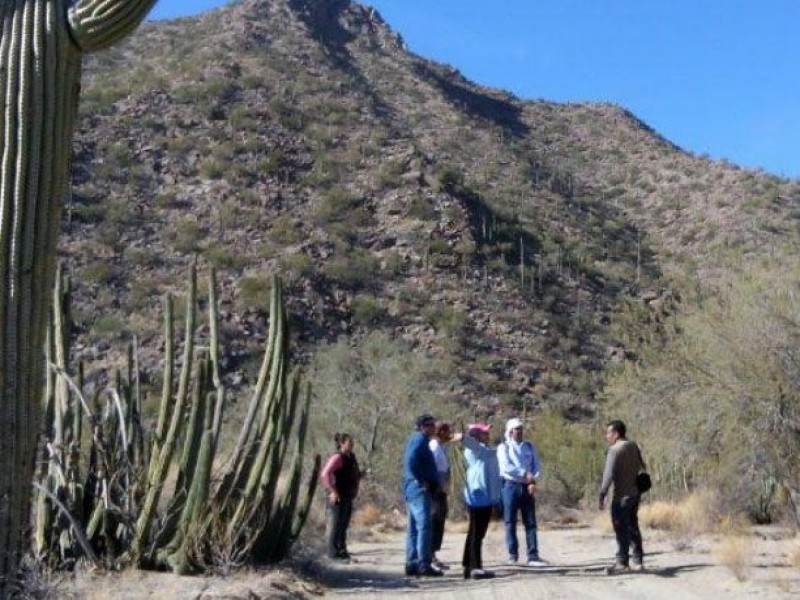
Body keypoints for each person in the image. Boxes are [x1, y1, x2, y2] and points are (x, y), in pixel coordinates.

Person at [497, 417, 547, 567]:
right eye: (516, 429)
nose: (519, 431)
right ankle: (512, 554)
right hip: (510, 486)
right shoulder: (504, 447)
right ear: (510, 431)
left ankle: (533, 555)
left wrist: (532, 480)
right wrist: (524, 473)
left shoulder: (530, 447)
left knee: (530, 521)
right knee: (510, 521)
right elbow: (506, 467)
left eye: (521, 429)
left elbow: (536, 466)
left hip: (527, 487)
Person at [599, 419, 646, 573]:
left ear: (616, 433)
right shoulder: (633, 446)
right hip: (635, 495)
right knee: (633, 526)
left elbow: (608, 475)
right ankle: (638, 560)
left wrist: (602, 493)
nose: (607, 436)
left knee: (621, 529)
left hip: (621, 497)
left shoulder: (614, 450)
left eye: (609, 433)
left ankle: (622, 562)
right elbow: (642, 468)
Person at [402, 414, 443, 577]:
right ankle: (424, 564)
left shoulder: (419, 440)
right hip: (419, 490)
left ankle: (411, 563)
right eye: (431, 425)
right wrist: (422, 480)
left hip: (413, 490)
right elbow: (411, 461)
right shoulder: (419, 440)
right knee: (425, 526)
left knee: (413, 528)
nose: (434, 427)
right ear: (423, 426)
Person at [461, 423, 501, 580]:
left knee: (475, 533)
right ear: (477, 436)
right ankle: (475, 568)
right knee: (477, 534)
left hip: (483, 496)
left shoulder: (483, 451)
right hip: (479, 496)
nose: (488, 434)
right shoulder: (476, 450)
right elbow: (469, 443)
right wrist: (463, 437)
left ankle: (468, 565)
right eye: (484, 433)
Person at [320, 432, 363, 560]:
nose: (352, 445)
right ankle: (332, 552)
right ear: (342, 443)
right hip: (338, 495)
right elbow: (325, 474)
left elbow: (353, 474)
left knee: (344, 524)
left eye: (352, 443)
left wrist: (361, 475)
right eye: (349, 443)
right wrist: (332, 491)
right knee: (337, 523)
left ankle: (342, 550)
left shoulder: (351, 457)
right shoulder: (337, 457)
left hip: (348, 495)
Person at [429, 421, 454, 570]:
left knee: (439, 521)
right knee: (434, 521)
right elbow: (432, 469)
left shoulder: (441, 447)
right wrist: (439, 485)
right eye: (447, 431)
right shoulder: (433, 447)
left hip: (442, 490)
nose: (449, 434)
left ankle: (433, 555)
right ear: (441, 432)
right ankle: (429, 556)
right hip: (436, 491)